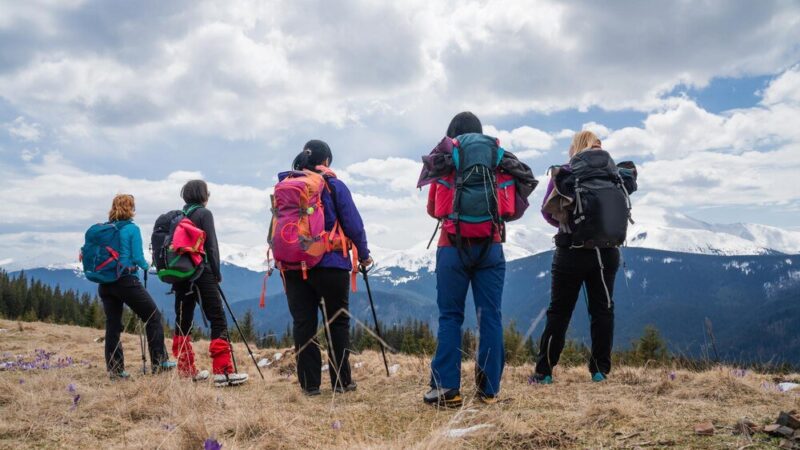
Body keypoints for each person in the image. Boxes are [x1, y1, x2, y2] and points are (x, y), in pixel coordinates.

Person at [531, 130, 636, 384]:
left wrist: (569, 223)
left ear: (575, 147)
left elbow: (547, 211)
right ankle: (600, 370)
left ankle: (544, 372)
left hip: (571, 251)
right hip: (606, 252)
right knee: (602, 311)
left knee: (559, 312)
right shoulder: (614, 174)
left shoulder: (566, 173)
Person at [424, 112, 508, 406]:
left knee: (450, 316)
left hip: (452, 246)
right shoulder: (495, 158)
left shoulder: (446, 159)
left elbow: (433, 209)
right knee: (490, 315)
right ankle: (489, 390)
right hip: (490, 245)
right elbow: (510, 207)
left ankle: (447, 388)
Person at [282, 140, 372, 396]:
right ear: (326, 161)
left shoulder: (288, 186)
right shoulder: (333, 185)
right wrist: (364, 254)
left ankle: (309, 385)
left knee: (303, 324)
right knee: (337, 323)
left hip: (294, 265)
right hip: (330, 263)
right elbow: (353, 224)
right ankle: (341, 382)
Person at [171, 180, 249, 387]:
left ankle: (185, 370)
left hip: (180, 274)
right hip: (201, 272)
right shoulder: (204, 214)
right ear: (203, 195)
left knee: (183, 319)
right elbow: (211, 246)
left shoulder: (178, 217)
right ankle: (223, 372)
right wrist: (216, 272)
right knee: (217, 317)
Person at [98, 194, 176, 379]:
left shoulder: (104, 230)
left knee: (113, 325)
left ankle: (116, 371)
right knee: (153, 316)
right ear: (130, 209)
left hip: (105, 283)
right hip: (126, 281)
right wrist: (148, 266)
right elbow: (138, 257)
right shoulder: (132, 229)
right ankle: (159, 362)